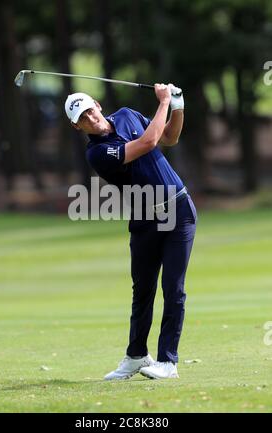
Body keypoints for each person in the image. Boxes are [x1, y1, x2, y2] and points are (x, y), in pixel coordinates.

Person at [64, 83, 197, 380]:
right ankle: (136, 355)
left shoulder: (127, 114)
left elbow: (169, 138)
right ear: (77, 126)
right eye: (82, 118)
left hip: (178, 211)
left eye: (89, 110)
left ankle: (167, 361)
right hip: (144, 219)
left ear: (98, 104)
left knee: (173, 288)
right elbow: (148, 143)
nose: (90, 118)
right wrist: (163, 101)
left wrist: (178, 105)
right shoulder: (97, 153)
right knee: (143, 291)